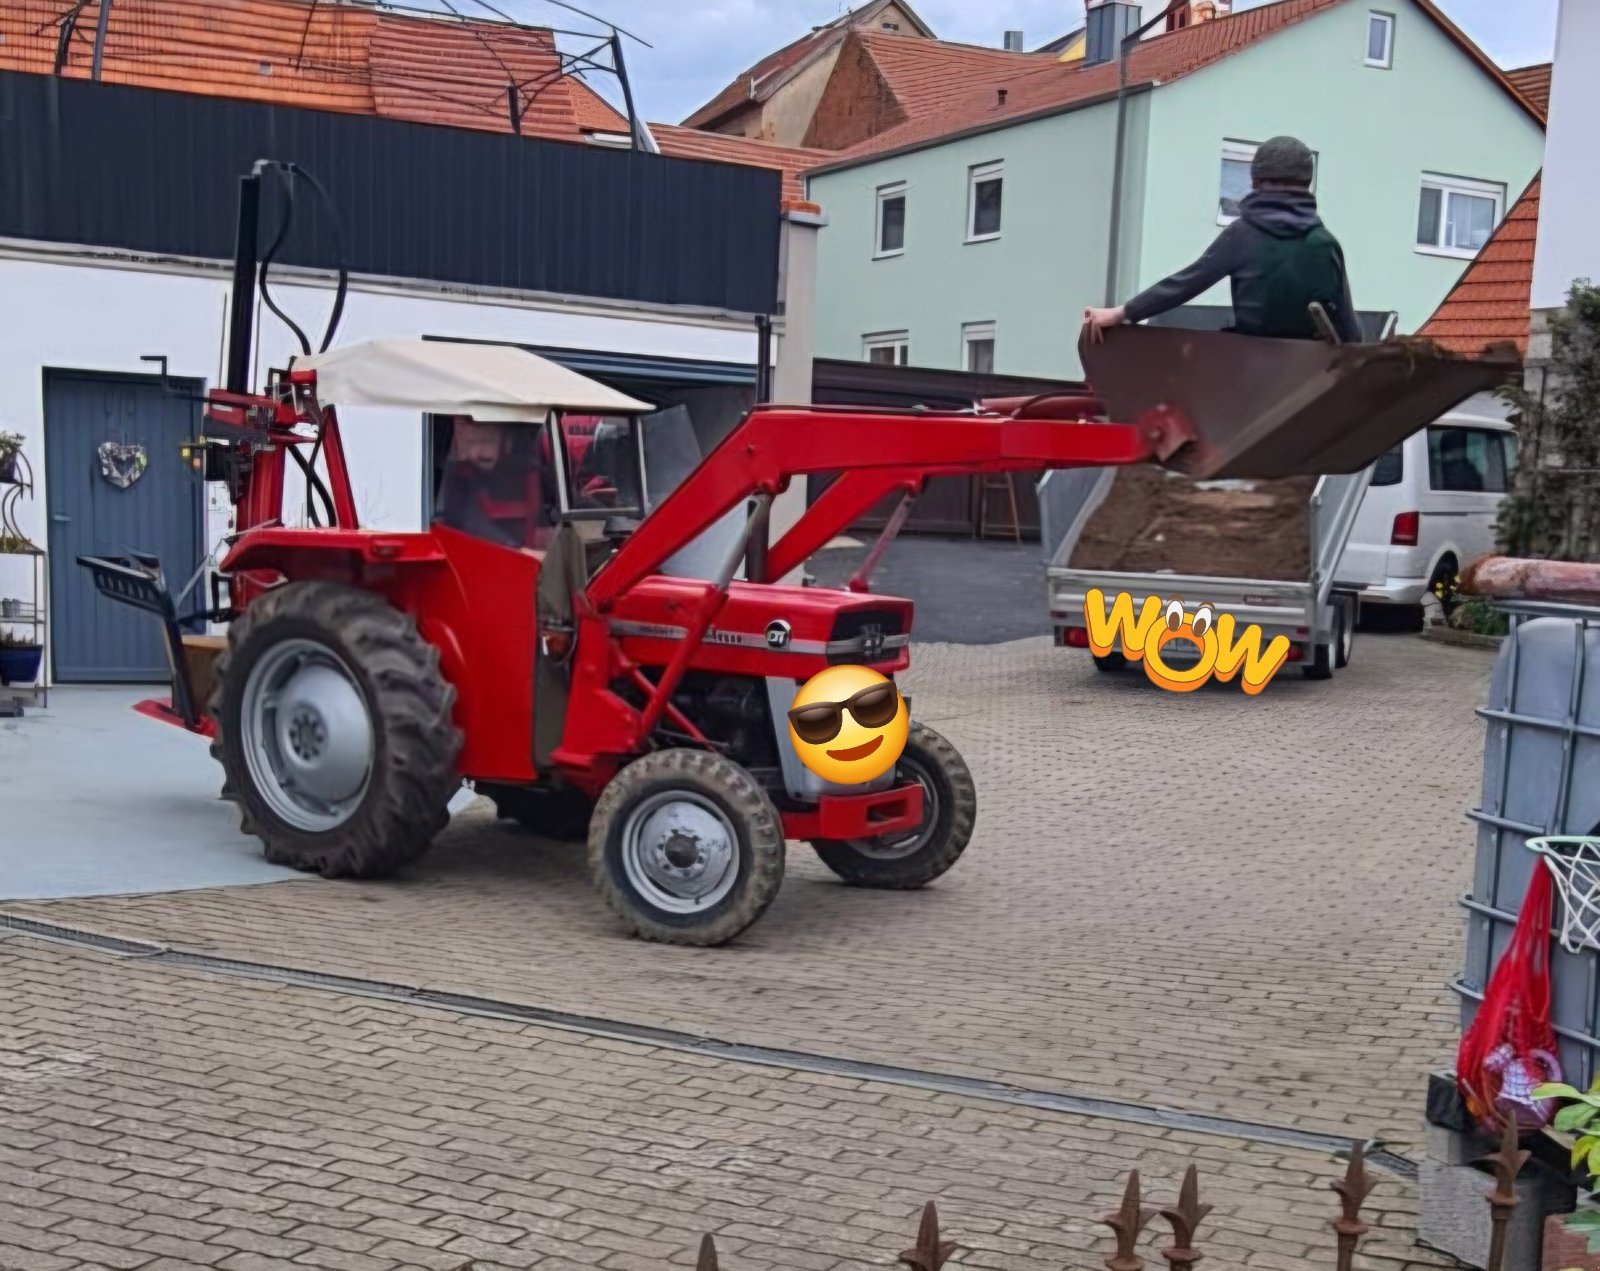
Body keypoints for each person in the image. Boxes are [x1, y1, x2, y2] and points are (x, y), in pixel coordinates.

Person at [1084, 136, 1363, 345]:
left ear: (1254, 180)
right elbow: (1349, 328)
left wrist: (1122, 313)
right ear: (1307, 184)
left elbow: (1185, 284)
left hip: (1249, 372)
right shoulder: (1325, 244)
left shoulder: (1243, 236)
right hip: (1310, 379)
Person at [432, 416, 557, 551]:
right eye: (472, 442)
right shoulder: (458, 480)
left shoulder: (538, 475)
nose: (479, 451)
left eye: (487, 440)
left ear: (507, 442)